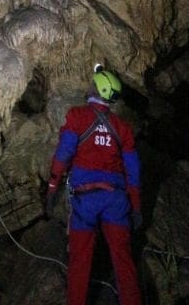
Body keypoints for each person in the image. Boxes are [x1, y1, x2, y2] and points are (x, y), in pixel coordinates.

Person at [46, 64, 143, 305]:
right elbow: (133, 171)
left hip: (85, 201)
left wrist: (52, 186)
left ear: (96, 89)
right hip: (116, 201)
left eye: (92, 83)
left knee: (80, 262)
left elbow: (63, 154)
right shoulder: (122, 128)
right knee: (123, 260)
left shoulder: (77, 117)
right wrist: (136, 206)